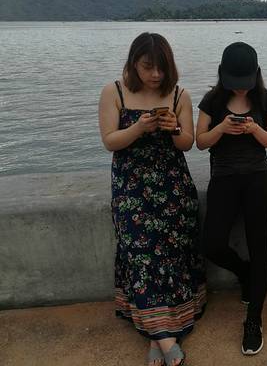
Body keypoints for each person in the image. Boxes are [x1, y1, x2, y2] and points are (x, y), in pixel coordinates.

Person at [98, 32, 206, 366]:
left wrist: (174, 129)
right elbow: (110, 140)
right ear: (134, 63)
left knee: (172, 254)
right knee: (140, 257)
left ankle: (156, 337)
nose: (155, 74)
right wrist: (138, 128)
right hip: (130, 189)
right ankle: (165, 336)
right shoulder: (114, 92)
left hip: (173, 186)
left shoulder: (180, 95)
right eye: (147, 67)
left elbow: (187, 144)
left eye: (161, 67)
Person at [196, 41, 267, 356]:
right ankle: (245, 274)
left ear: (256, 75)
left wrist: (255, 130)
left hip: (259, 180)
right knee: (212, 244)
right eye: (236, 83)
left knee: (260, 248)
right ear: (223, 75)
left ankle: (254, 320)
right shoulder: (212, 100)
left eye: (246, 83)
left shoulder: (266, 99)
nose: (242, 89)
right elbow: (200, 142)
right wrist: (221, 128)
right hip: (224, 180)